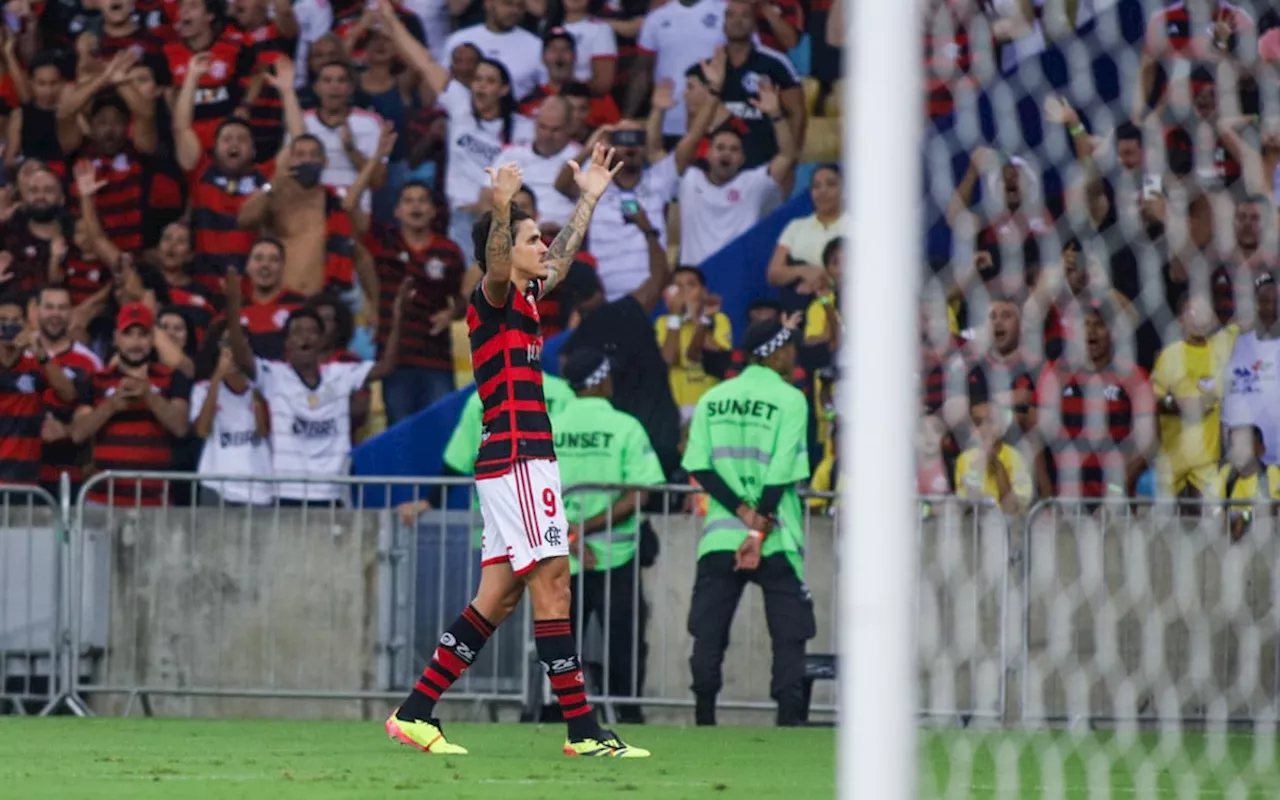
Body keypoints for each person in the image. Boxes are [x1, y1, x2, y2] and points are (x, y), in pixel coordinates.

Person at [386, 149, 649, 758]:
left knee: (499, 596)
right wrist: (501, 207)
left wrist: (590, 196)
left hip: (515, 459)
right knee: (554, 583)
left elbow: (562, 258)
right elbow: (502, 262)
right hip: (518, 457)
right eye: (534, 238)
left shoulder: (528, 299)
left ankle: (416, 711)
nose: (544, 245)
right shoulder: (494, 296)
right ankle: (583, 731)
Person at [681, 317, 813, 727]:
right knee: (790, 634)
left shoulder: (713, 398)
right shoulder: (791, 399)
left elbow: (698, 467)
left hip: (721, 535)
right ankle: (789, 725)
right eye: (789, 347)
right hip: (775, 537)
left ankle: (704, 720)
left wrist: (741, 514)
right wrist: (758, 530)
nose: (794, 356)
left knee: (708, 633)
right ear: (776, 352)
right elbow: (780, 472)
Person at [223, 268, 409, 505]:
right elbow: (241, 356)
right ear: (288, 342)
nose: (305, 337)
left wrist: (398, 319)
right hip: (286, 494)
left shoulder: (341, 374)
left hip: (332, 494)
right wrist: (233, 306)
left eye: (312, 332)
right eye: (298, 332)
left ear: (322, 340)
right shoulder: (274, 375)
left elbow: (386, 367)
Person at [553, 347, 666, 724]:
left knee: (558, 639)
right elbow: (640, 492)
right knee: (624, 643)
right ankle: (628, 713)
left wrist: (571, 535)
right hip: (616, 556)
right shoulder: (625, 426)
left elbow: (530, 493)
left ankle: (556, 712)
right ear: (601, 380)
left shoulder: (550, 425)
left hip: (559, 556)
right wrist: (587, 531)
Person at [70, 303, 193, 506]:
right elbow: (78, 433)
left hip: (153, 502)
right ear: (116, 338)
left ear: (153, 339)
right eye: (128, 334)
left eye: (142, 334)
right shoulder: (95, 380)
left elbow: (180, 427)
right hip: (102, 500)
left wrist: (149, 395)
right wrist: (111, 406)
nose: (136, 342)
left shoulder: (172, 378)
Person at [0, 294, 79, 484]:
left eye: (15, 321)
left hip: (25, 479)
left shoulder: (37, 366)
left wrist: (41, 354)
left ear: (27, 325)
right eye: (2, 321)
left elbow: (69, 394)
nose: (9, 327)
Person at [189, 326, 273, 506]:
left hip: (258, 485)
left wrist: (255, 388)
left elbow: (264, 431)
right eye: (227, 344)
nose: (233, 350)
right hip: (216, 484)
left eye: (240, 344)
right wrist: (217, 377)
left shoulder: (263, 385)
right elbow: (202, 430)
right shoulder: (202, 389)